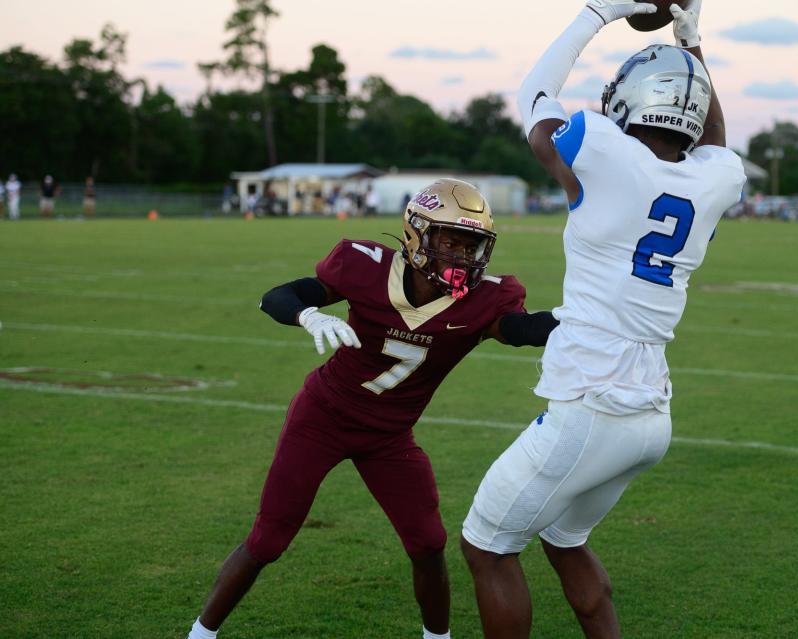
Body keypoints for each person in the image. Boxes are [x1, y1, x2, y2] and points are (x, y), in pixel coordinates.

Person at [460, 2, 746, 637]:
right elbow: (716, 140)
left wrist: (599, 12)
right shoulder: (714, 177)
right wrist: (690, 38)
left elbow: (535, 93)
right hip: (650, 414)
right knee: (563, 540)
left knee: (486, 545)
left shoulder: (602, 147)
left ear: (630, 101)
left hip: (589, 404)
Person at [185, 179, 559, 639]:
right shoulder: (365, 267)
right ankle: (200, 633)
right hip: (321, 419)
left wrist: (577, 319)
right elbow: (276, 297)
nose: (463, 256)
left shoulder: (485, 300)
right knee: (268, 539)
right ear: (418, 235)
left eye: (473, 244)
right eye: (451, 240)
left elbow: (521, 329)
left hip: (389, 437)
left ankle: (435, 638)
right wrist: (309, 315)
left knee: (428, 543)